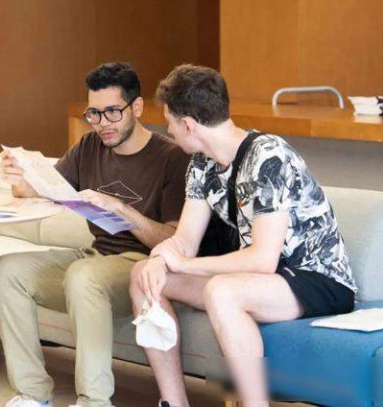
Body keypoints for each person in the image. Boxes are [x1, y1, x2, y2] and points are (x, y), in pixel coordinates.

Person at [129, 64, 356, 407]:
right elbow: (185, 239)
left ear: (188, 125)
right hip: (262, 280)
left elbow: (262, 260)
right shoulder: (202, 164)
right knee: (142, 277)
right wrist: (161, 259)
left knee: (223, 290)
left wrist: (184, 265)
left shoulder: (268, 157)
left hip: (318, 280)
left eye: (170, 122)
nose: (169, 131)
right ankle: (174, 403)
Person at [0, 62, 191, 407]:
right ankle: (33, 394)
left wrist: (123, 211)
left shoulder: (171, 158)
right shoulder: (88, 146)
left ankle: (94, 401)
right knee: (6, 271)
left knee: (84, 276)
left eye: (112, 112)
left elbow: (173, 243)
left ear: (137, 107)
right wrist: (18, 179)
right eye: (94, 114)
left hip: (142, 267)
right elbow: (41, 191)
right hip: (95, 258)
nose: (102, 124)